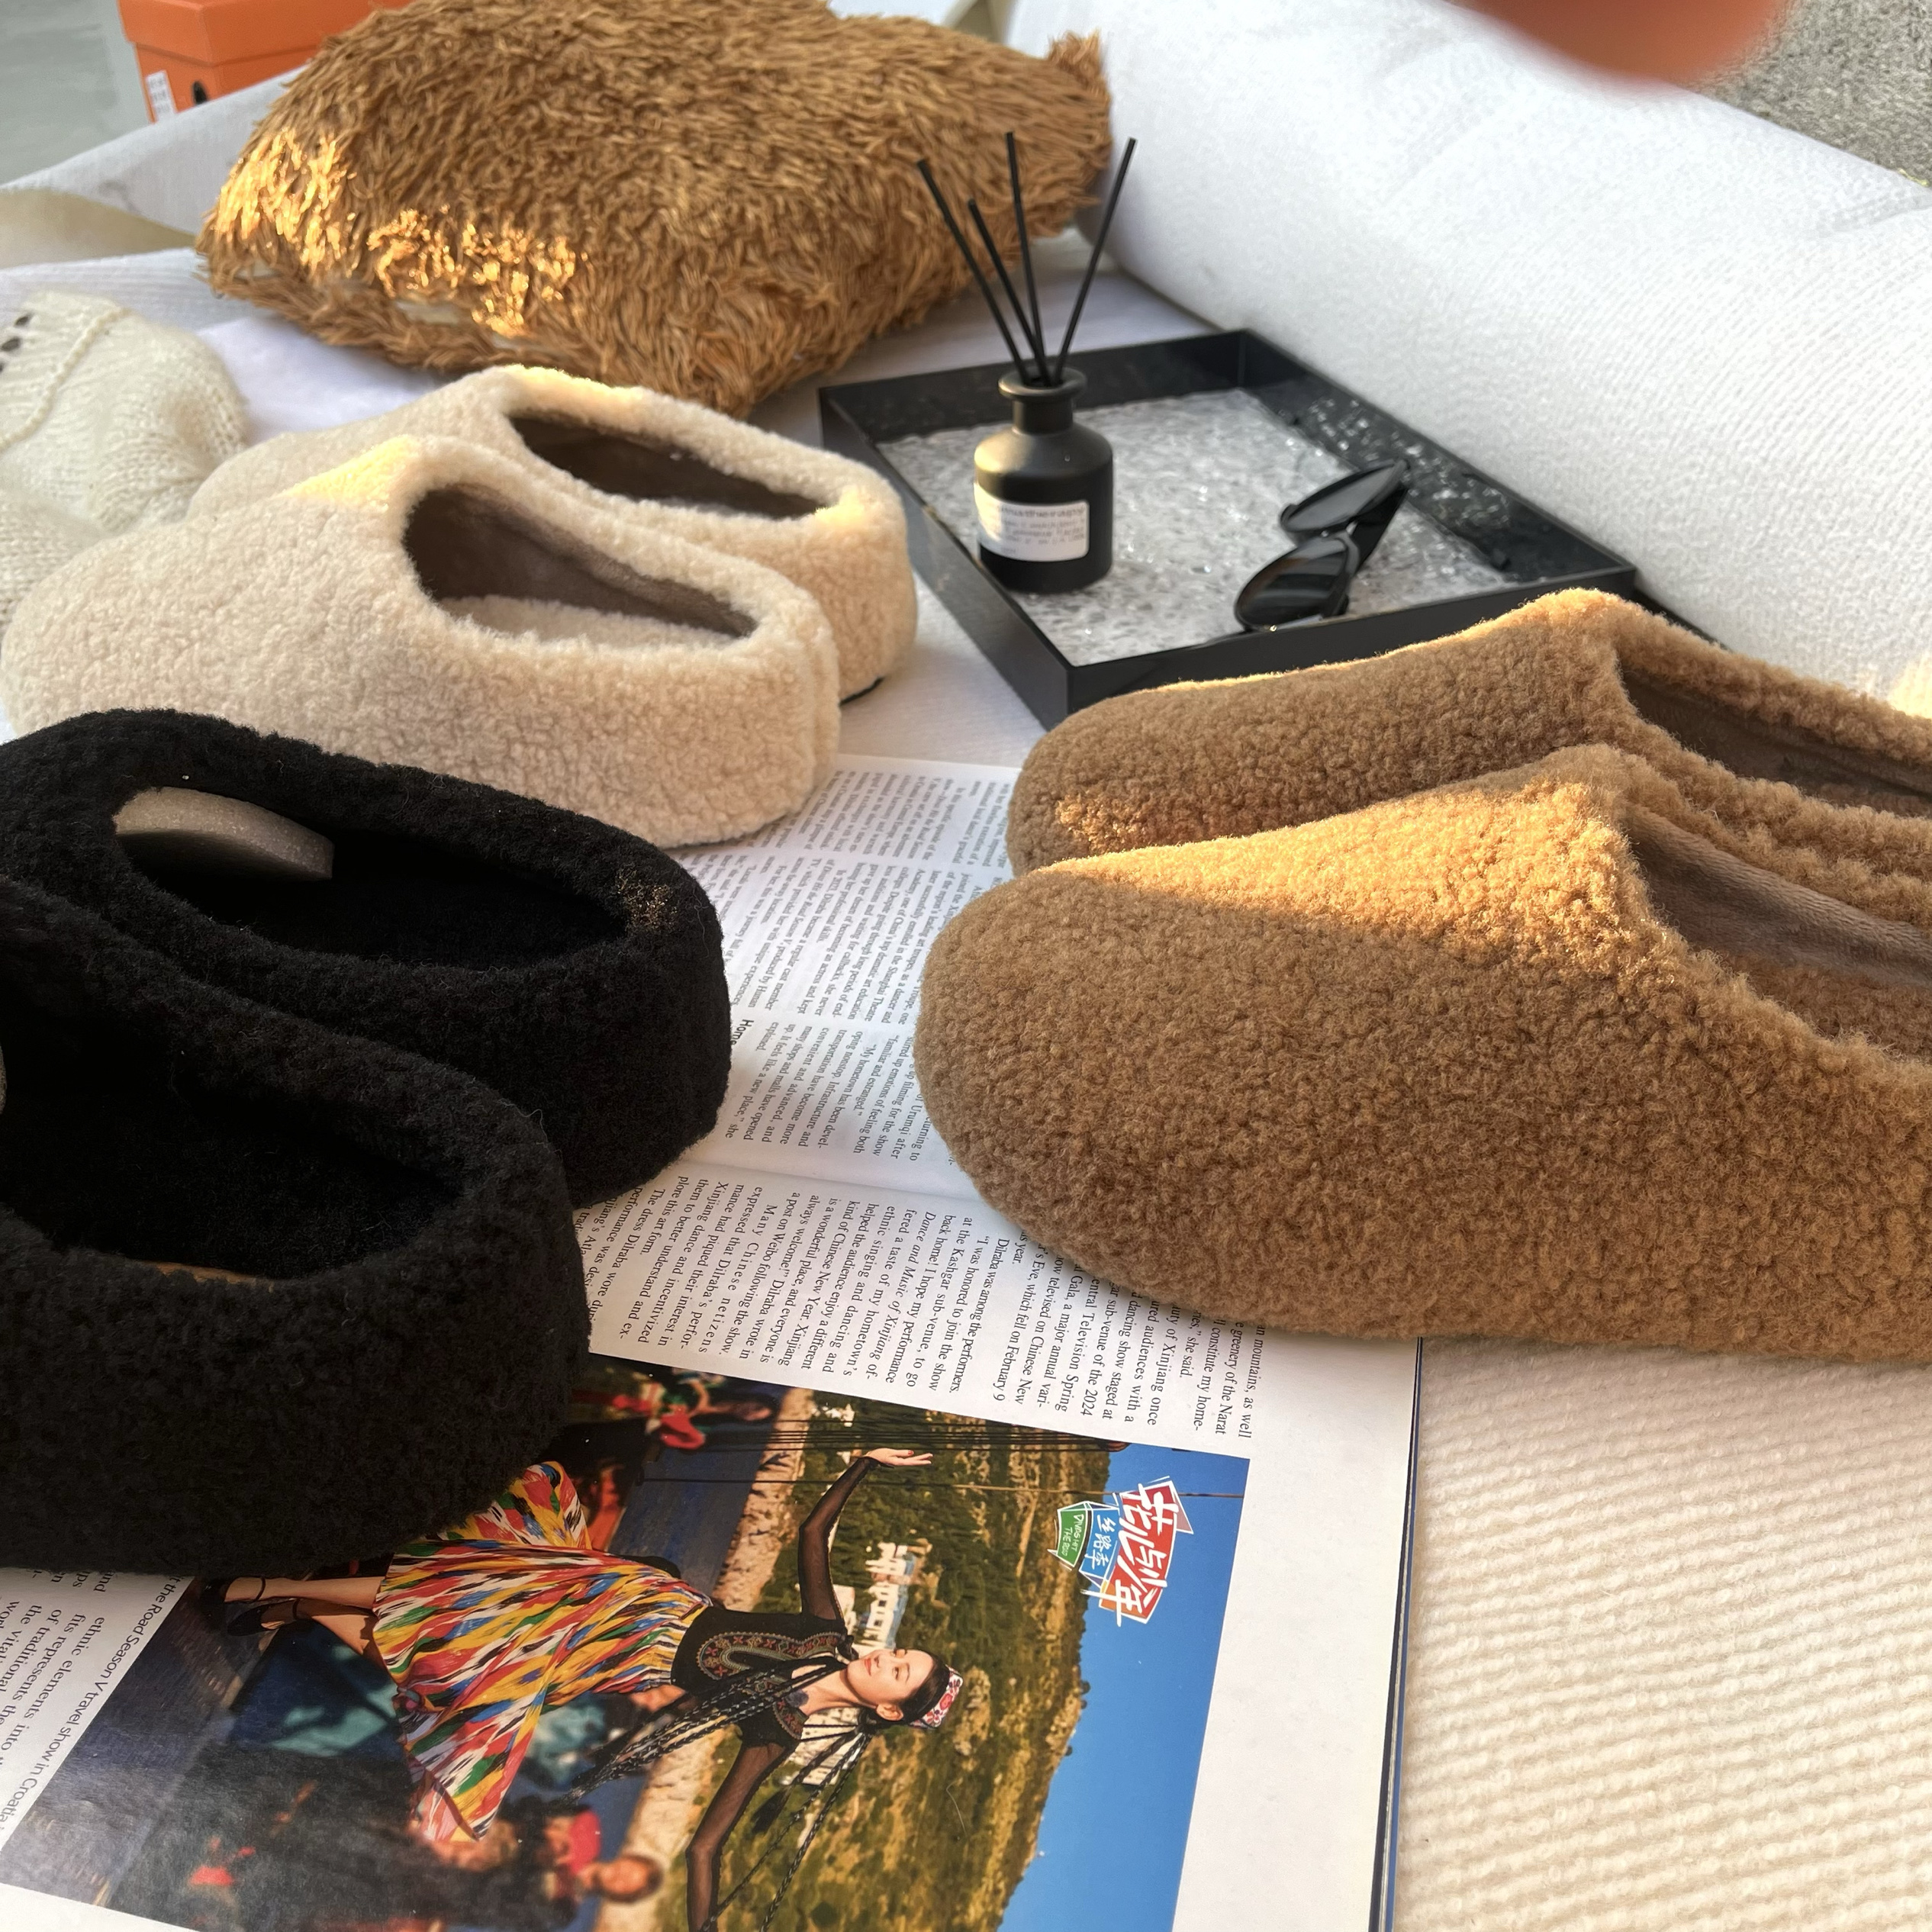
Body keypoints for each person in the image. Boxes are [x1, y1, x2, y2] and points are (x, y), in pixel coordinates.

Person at [216, 1444, 960, 1931]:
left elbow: (706, 1849)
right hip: (636, 1605)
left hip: (612, 1663)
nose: (886, 1658)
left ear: (888, 1709)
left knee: (455, 1662)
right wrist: (862, 1463)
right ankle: (274, 1588)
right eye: (900, 1652)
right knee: (470, 1601)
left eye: (899, 1673)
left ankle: (302, 1604)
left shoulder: (779, 1736)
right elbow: (812, 1535)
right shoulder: (825, 1632)